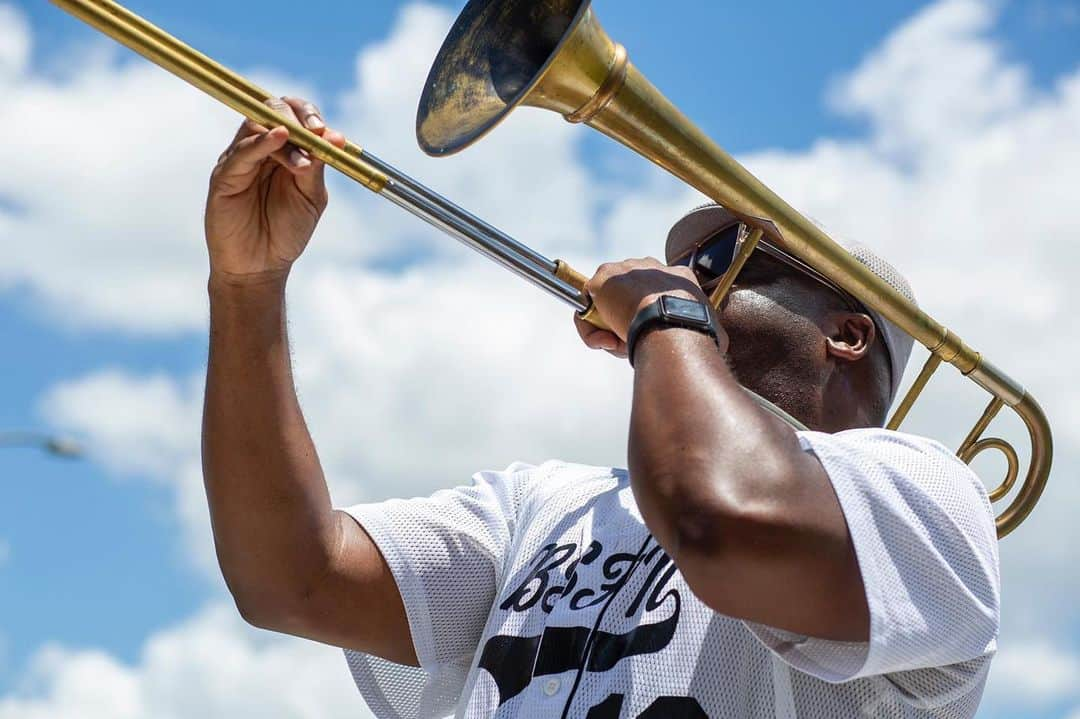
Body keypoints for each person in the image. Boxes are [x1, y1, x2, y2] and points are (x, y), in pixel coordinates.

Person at [201, 97, 1000, 719]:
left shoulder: (926, 493)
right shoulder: (540, 505)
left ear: (847, 333)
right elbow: (292, 579)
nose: (685, 280)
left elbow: (716, 520)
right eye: (681, 270)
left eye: (724, 266)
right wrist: (247, 285)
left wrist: (665, 314)